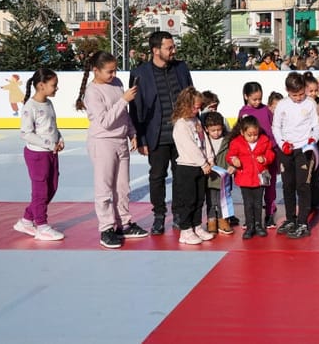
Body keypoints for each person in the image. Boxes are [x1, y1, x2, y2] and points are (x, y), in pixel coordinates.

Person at [75, 51, 149, 249]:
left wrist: (132, 132)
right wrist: (123, 99)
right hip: (103, 142)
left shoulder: (117, 84)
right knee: (104, 187)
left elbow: (123, 114)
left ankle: (123, 222)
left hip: (120, 140)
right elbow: (105, 121)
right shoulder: (92, 92)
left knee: (122, 187)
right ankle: (106, 227)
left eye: (115, 70)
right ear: (96, 70)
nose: (113, 74)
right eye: (109, 71)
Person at [129, 31, 194, 235]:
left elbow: (191, 97)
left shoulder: (181, 68)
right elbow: (136, 108)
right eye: (169, 48)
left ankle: (179, 214)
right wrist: (140, 137)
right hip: (156, 136)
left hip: (181, 135)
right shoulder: (140, 73)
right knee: (157, 176)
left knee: (181, 176)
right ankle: (159, 215)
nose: (173, 51)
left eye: (173, 47)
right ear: (156, 50)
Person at [13, 68, 65, 241]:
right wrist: (49, 144)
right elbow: (26, 133)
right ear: (41, 85)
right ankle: (41, 225)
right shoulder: (30, 107)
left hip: (51, 153)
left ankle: (26, 220)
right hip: (37, 156)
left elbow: (52, 125)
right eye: (54, 85)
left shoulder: (48, 103)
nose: (57, 88)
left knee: (52, 187)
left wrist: (59, 138)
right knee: (40, 191)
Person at [272, 72, 319, 239]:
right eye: (295, 95)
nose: (299, 98)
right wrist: (282, 143)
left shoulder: (310, 104)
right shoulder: (282, 105)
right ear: (287, 91)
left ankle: (302, 222)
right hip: (286, 149)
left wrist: (312, 139)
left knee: (303, 186)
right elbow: (276, 127)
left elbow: (317, 126)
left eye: (301, 93)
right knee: (288, 185)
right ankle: (290, 219)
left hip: (304, 149)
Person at [172, 87, 216, 245]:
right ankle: (185, 230)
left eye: (199, 107)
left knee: (199, 199)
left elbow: (205, 141)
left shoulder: (196, 121)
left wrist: (210, 158)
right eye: (195, 107)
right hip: (187, 167)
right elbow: (190, 147)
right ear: (186, 105)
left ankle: (197, 226)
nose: (197, 110)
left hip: (201, 167)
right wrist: (203, 162)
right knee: (188, 200)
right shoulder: (181, 125)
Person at [225, 115, 276, 239]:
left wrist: (265, 159)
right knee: (248, 203)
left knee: (258, 203)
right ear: (242, 132)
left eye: (255, 134)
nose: (253, 137)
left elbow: (270, 153)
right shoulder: (236, 142)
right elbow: (230, 155)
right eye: (250, 135)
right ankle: (250, 226)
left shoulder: (264, 140)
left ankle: (258, 225)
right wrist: (234, 160)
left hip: (259, 178)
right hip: (245, 178)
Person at [238, 82, 279, 228]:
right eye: (254, 99)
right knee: (252, 188)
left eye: (260, 99)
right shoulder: (243, 113)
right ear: (246, 96)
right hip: (251, 159)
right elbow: (240, 134)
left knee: (269, 184)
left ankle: (269, 214)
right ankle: (251, 218)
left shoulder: (265, 110)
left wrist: (274, 147)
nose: (257, 102)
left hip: (268, 154)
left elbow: (274, 126)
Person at [203, 112, 235, 235]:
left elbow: (233, 154)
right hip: (209, 177)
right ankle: (211, 220)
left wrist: (232, 165)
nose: (216, 133)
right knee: (211, 201)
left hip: (224, 176)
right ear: (207, 129)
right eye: (213, 130)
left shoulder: (227, 140)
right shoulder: (204, 140)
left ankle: (223, 220)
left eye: (219, 130)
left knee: (223, 200)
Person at [304, 71, 319, 212]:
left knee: (315, 172)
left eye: (315, 91)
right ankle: (306, 202)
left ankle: (317, 200)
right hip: (303, 144)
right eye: (310, 91)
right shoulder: (300, 104)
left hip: (318, 144)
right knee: (305, 174)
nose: (313, 94)